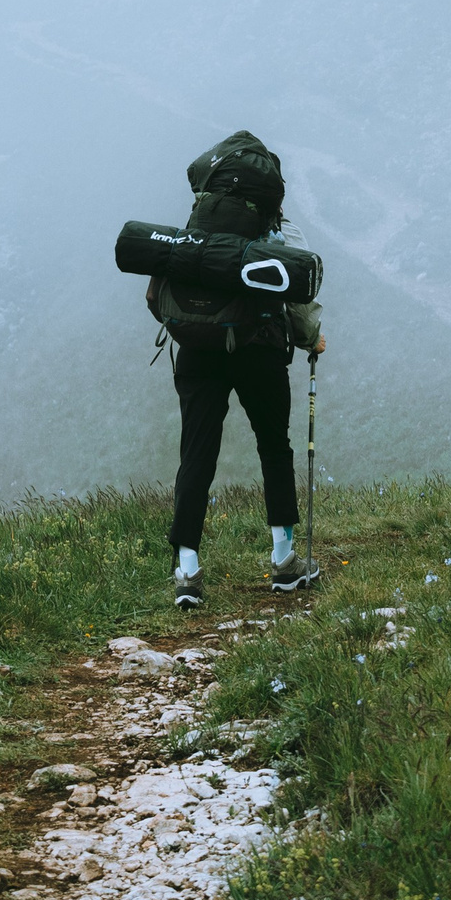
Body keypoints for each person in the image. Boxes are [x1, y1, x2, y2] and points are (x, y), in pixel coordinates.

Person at [162, 169, 326, 610]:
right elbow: (300, 296)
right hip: (260, 347)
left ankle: (187, 571)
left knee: (196, 454)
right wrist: (311, 339)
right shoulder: (279, 229)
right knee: (274, 448)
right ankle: (284, 561)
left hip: (198, 350)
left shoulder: (199, 227)